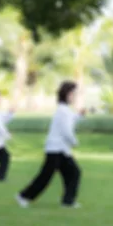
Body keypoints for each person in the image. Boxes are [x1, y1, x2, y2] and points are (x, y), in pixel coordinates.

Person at [16, 81, 84, 209]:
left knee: (74, 172)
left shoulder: (64, 110)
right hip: (55, 150)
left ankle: (68, 201)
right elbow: (66, 131)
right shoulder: (63, 111)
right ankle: (23, 196)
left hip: (61, 150)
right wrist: (75, 142)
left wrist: (79, 116)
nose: (75, 97)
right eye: (74, 94)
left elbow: (71, 120)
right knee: (46, 176)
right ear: (68, 95)